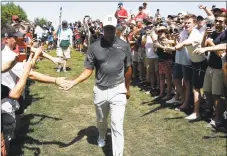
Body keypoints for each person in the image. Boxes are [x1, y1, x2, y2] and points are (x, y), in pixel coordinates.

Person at [60, 14, 132, 156]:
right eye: (107, 28)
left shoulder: (124, 46)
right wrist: (74, 82)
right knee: (101, 120)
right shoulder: (94, 47)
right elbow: (88, 69)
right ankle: (102, 135)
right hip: (100, 89)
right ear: (103, 29)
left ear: (116, 28)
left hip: (118, 89)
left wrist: (127, 88)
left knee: (117, 124)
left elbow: (128, 68)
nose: (110, 31)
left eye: (112, 28)